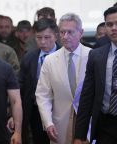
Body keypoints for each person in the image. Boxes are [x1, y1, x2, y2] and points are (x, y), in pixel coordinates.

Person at [35, 13, 91, 144]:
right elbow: (43, 94)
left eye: (70, 32)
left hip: (88, 123)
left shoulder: (93, 56)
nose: (65, 37)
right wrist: (48, 122)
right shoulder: (50, 60)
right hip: (59, 125)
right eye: (62, 32)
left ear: (81, 32)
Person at [74, 6, 117, 144]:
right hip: (106, 124)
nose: (114, 28)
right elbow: (87, 97)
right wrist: (79, 136)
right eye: (109, 24)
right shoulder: (96, 55)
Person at [19, 18, 60, 144]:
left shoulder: (64, 55)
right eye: (39, 37)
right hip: (35, 110)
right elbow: (21, 86)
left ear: (56, 36)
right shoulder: (29, 58)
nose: (43, 42)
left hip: (59, 109)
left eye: (47, 37)